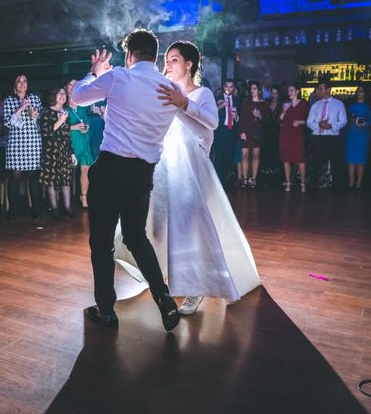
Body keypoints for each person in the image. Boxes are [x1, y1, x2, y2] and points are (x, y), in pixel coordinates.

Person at [115, 40, 260, 316]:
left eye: (173, 60)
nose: (167, 64)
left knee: (190, 229)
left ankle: (195, 288)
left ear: (188, 64)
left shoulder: (201, 93)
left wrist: (183, 104)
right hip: (162, 165)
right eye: (166, 60)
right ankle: (162, 277)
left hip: (192, 170)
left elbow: (212, 123)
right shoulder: (164, 91)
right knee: (156, 226)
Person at [71, 28, 181, 331]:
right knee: (136, 237)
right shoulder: (170, 89)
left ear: (130, 54)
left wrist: (94, 73)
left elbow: (77, 97)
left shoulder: (120, 76)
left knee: (102, 243)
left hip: (110, 171)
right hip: (142, 175)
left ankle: (106, 311)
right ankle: (164, 298)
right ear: (156, 57)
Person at [2, 74, 43, 222]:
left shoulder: (35, 98)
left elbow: (38, 120)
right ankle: (12, 212)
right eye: (18, 81)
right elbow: (7, 123)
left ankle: (36, 211)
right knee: (14, 179)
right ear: (14, 86)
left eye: (24, 81)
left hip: (33, 142)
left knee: (34, 179)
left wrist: (34, 115)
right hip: (16, 144)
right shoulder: (9, 100)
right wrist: (21, 108)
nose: (22, 83)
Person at [39, 87, 77, 220]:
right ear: (53, 96)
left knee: (66, 180)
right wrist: (59, 121)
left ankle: (67, 207)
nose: (63, 96)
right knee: (51, 181)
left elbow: (67, 136)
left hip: (64, 151)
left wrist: (72, 153)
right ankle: (54, 209)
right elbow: (45, 133)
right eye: (60, 93)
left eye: (64, 94)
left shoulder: (65, 113)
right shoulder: (46, 112)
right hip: (51, 151)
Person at [306, 80, 347, 189]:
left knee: (336, 163)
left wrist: (331, 126)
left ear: (328, 89)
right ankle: (312, 187)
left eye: (320, 88)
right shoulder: (315, 105)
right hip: (318, 137)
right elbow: (309, 122)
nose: (318, 91)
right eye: (318, 89)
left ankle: (337, 187)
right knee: (315, 162)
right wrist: (318, 125)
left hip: (332, 137)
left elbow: (343, 121)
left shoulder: (339, 104)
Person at [67, 79, 94, 209]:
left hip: (83, 140)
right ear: (66, 88)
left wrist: (86, 127)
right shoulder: (63, 107)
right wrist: (74, 127)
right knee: (69, 171)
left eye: (75, 85)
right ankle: (66, 200)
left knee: (85, 169)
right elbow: (57, 127)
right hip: (71, 142)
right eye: (70, 85)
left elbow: (88, 121)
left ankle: (84, 198)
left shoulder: (83, 106)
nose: (73, 87)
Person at [279, 83, 309, 192]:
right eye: (288, 91)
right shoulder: (286, 104)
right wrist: (284, 111)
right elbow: (280, 120)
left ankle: (302, 183)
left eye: (292, 90)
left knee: (300, 159)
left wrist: (300, 122)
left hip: (297, 135)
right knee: (286, 159)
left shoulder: (304, 104)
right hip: (285, 134)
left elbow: (309, 121)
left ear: (297, 91)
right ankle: (288, 183)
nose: (289, 93)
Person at [239, 81, 268, 188]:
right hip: (246, 132)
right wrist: (242, 132)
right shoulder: (246, 103)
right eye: (251, 88)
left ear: (259, 90)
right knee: (245, 155)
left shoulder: (264, 104)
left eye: (255, 88)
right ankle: (245, 178)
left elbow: (268, 120)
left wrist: (260, 116)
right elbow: (241, 119)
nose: (252, 90)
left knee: (256, 155)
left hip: (257, 133)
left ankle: (254, 179)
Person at [213, 79, 241, 187]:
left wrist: (236, 117)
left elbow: (240, 118)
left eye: (231, 87)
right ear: (223, 87)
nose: (229, 89)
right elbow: (211, 112)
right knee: (219, 155)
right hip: (220, 130)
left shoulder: (237, 100)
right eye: (227, 86)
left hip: (231, 130)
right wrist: (221, 106)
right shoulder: (218, 99)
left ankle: (224, 181)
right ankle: (217, 181)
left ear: (233, 88)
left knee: (228, 156)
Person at [346, 86, 371, 189]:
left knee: (361, 159)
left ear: (365, 93)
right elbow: (347, 118)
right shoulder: (350, 106)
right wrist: (352, 120)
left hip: (363, 134)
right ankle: (351, 181)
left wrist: (365, 124)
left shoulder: (369, 106)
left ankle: (359, 182)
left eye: (361, 91)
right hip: (352, 133)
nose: (359, 93)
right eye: (358, 91)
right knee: (350, 159)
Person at [259, 85, 282, 179]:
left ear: (279, 94)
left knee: (275, 152)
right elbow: (263, 118)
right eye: (272, 92)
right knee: (265, 152)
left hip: (277, 132)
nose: (273, 95)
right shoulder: (266, 103)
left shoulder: (281, 104)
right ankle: (265, 176)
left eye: (275, 93)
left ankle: (275, 176)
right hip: (266, 131)